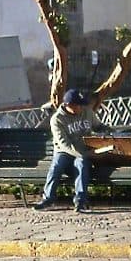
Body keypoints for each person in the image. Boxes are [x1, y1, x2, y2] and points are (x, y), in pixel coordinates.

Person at [35, 87, 99, 215]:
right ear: (68, 105)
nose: (80, 108)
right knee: (57, 165)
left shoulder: (87, 112)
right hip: (65, 151)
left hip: (83, 150)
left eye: (82, 105)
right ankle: (48, 198)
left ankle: (80, 200)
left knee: (81, 164)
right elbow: (64, 144)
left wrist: (108, 131)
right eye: (77, 105)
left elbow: (98, 125)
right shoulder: (57, 119)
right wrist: (83, 154)